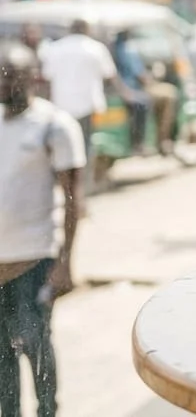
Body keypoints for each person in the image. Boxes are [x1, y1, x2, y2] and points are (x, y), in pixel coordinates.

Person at [0, 41, 86, 417]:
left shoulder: (55, 126)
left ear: (32, 76)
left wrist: (65, 263)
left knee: (36, 348)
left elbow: (72, 201)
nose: (4, 86)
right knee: (2, 360)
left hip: (33, 263)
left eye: (11, 78)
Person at [40, 19, 120, 170]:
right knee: (85, 144)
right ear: (87, 30)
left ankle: (64, 176)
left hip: (61, 104)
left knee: (62, 144)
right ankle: (83, 179)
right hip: (87, 104)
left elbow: (46, 77)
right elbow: (110, 75)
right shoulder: (96, 48)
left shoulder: (55, 48)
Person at [113, 29, 177, 154]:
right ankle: (160, 139)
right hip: (133, 89)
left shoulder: (119, 48)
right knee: (169, 96)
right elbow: (139, 74)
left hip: (131, 87)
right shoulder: (126, 49)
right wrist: (150, 79)